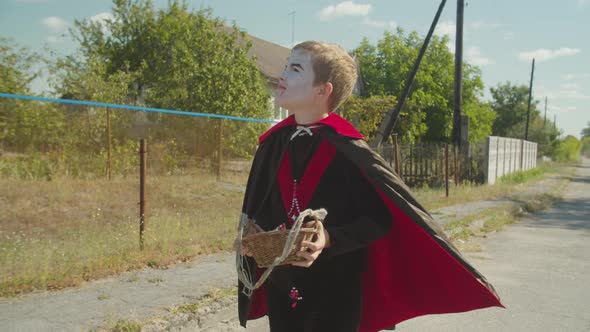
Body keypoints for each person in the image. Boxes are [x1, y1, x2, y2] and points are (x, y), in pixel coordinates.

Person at [236, 41, 503, 332]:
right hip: (281, 284)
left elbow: (378, 219)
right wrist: (253, 235)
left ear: (322, 91)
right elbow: (261, 205)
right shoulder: (273, 144)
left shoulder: (347, 149)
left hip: (336, 290)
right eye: (287, 65)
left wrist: (329, 238)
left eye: (296, 68)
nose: (283, 74)